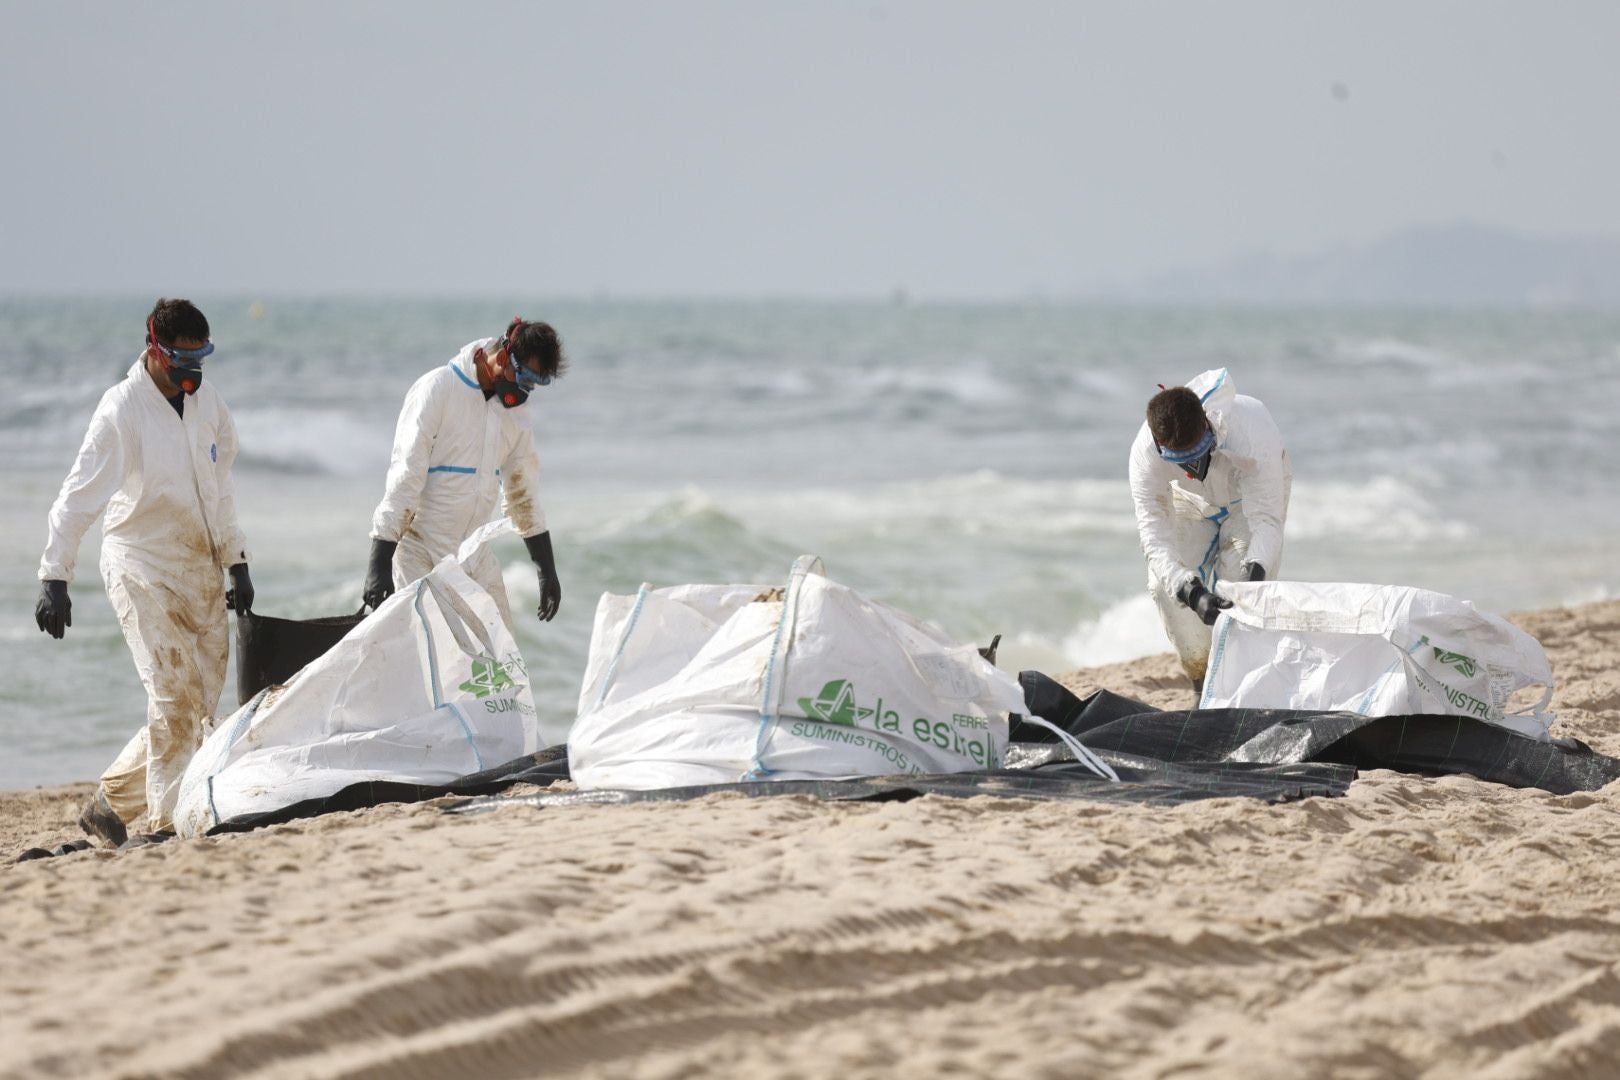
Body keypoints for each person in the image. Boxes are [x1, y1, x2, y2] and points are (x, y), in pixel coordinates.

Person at [36, 298, 253, 845]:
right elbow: (78, 496)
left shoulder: (209, 406)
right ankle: (165, 825)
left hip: (198, 564)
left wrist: (237, 562)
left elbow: (220, 490)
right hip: (140, 563)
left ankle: (107, 806)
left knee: (196, 706)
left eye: (201, 357)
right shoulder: (122, 410)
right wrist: (54, 577)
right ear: (155, 350)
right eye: (183, 359)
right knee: (174, 696)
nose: (193, 371)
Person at [364, 318, 565, 629]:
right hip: (420, 553)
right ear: (502, 357)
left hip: (474, 556)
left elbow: (522, 493)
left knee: (500, 666)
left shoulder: (516, 415)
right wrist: (378, 565)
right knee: (430, 663)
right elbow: (405, 479)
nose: (525, 391)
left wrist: (546, 569)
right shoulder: (438, 390)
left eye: (535, 384)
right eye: (524, 377)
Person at [1128, 368, 1291, 690]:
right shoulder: (1143, 455)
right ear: (1159, 446)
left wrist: (1254, 577)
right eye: (1180, 461)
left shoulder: (1251, 429)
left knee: (1240, 581)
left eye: (1198, 455)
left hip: (1248, 501)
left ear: (1207, 424)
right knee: (1164, 587)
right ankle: (1201, 681)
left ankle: (1241, 681)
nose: (1191, 468)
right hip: (1190, 503)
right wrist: (1192, 591)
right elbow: (1154, 536)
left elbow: (1267, 521)